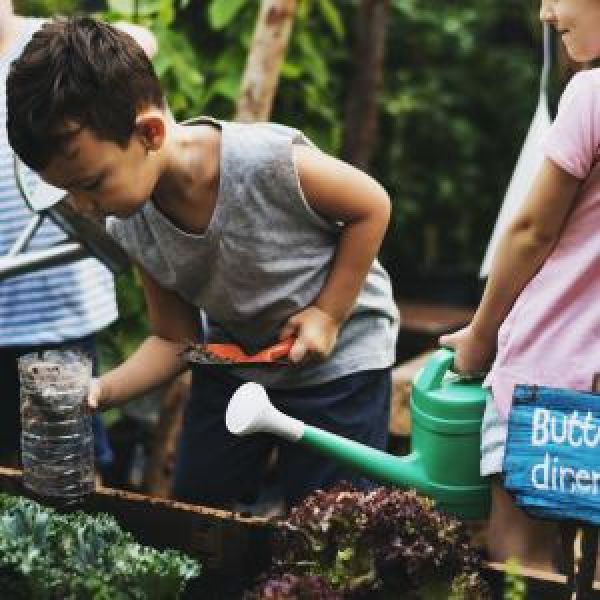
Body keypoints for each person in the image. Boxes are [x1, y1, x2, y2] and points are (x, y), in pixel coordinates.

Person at [6, 15, 399, 510]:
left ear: (148, 133)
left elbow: (372, 204)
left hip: (338, 370)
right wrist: (97, 392)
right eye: (68, 191)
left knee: (333, 522)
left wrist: (327, 314)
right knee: (198, 516)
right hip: (235, 362)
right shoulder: (129, 220)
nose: (84, 206)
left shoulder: (264, 162)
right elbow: (175, 339)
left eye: (91, 183)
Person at [439, 0, 600, 571]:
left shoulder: (593, 94)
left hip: (552, 382)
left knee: (522, 559)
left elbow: (532, 230)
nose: (546, 13)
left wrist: (482, 336)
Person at [0, 3, 156, 475]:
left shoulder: (43, 50)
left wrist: (123, 53)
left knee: (67, 453)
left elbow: (137, 41)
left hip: (57, 306)